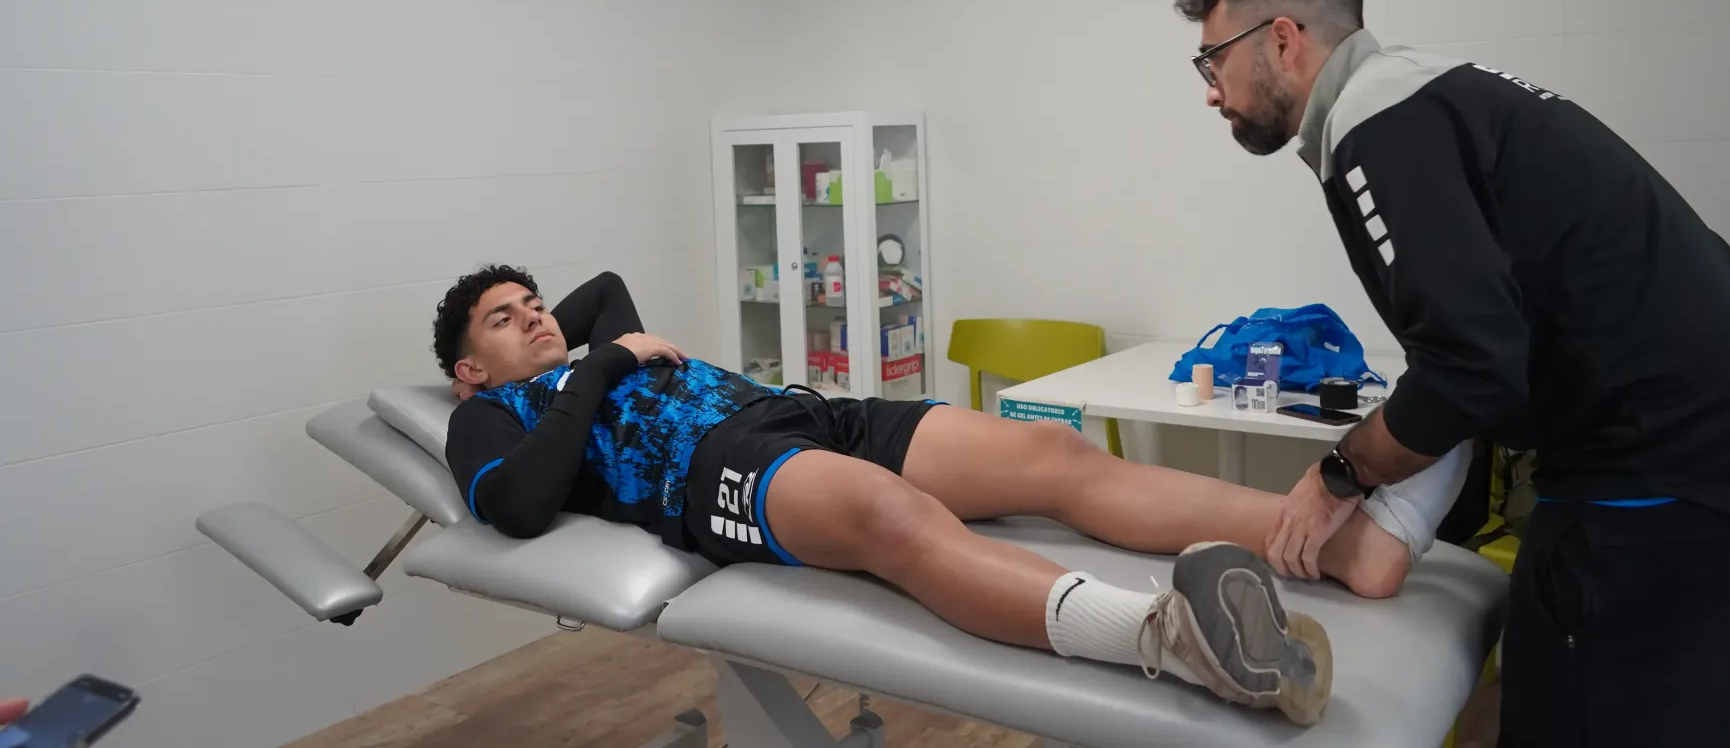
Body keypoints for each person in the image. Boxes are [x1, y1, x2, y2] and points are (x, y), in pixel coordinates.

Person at [1176, 0, 1730, 747]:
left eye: (1213, 61)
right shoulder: (1431, 94)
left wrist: (1340, 475)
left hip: (1674, 475)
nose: (1212, 91)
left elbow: (1470, 371)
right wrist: (1394, 522)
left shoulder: (1378, 126)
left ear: (1282, 38)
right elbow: (1475, 350)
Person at [434, 265, 1470, 725]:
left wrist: (568, 339)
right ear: (464, 370)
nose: (534, 320)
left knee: (1058, 460)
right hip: (716, 478)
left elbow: (601, 286)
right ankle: (1171, 641)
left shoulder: (579, 338)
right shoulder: (492, 416)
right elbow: (517, 506)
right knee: (897, 523)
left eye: (534, 304)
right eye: (503, 319)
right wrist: (593, 367)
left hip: (811, 412)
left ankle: (1344, 548)